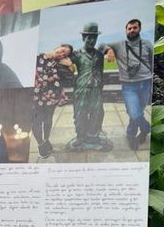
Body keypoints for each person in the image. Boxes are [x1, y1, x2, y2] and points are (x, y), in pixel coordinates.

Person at [101, 19, 154, 150]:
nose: (132, 30)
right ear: (126, 31)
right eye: (129, 28)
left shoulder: (147, 44)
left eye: (134, 28)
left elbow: (153, 62)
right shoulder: (119, 45)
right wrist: (109, 50)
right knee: (134, 113)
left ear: (139, 29)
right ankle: (145, 129)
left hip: (146, 83)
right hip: (129, 86)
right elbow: (101, 45)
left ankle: (133, 134)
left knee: (137, 113)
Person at [66, 22, 113, 152]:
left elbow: (106, 47)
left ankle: (93, 136)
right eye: (89, 37)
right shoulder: (77, 54)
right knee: (80, 113)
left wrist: (109, 50)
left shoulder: (99, 54)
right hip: (82, 89)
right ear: (83, 38)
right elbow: (63, 57)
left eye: (94, 37)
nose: (92, 40)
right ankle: (80, 136)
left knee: (97, 113)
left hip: (96, 89)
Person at [32, 44, 75, 158]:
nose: (61, 54)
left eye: (64, 54)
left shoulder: (59, 64)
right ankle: (41, 145)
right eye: (62, 50)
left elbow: (71, 75)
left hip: (52, 96)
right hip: (37, 96)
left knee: (48, 120)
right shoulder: (38, 57)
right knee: (37, 120)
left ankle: (46, 141)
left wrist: (69, 64)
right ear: (58, 46)